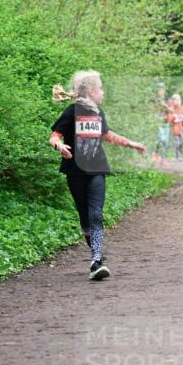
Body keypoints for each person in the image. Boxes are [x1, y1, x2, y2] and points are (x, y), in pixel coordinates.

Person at [50, 71, 146, 281]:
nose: (103, 92)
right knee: (85, 217)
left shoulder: (98, 112)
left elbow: (107, 135)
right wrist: (59, 146)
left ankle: (97, 260)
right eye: (100, 88)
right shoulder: (72, 111)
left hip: (96, 169)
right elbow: (54, 135)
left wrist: (131, 143)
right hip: (75, 171)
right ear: (90, 91)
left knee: (96, 214)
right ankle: (95, 253)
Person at [153, 83, 172, 167]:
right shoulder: (155, 100)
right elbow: (152, 110)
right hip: (158, 123)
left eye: (162, 89)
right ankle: (156, 154)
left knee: (166, 142)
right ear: (157, 90)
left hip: (166, 123)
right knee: (161, 139)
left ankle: (163, 159)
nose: (161, 91)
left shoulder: (167, 99)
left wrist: (165, 106)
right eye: (159, 89)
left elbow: (171, 110)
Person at [168, 93, 183, 160]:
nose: (177, 101)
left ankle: (179, 155)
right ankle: (178, 156)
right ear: (172, 101)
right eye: (175, 99)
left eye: (178, 99)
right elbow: (169, 120)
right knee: (177, 142)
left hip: (182, 128)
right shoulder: (171, 109)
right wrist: (173, 116)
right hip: (175, 129)